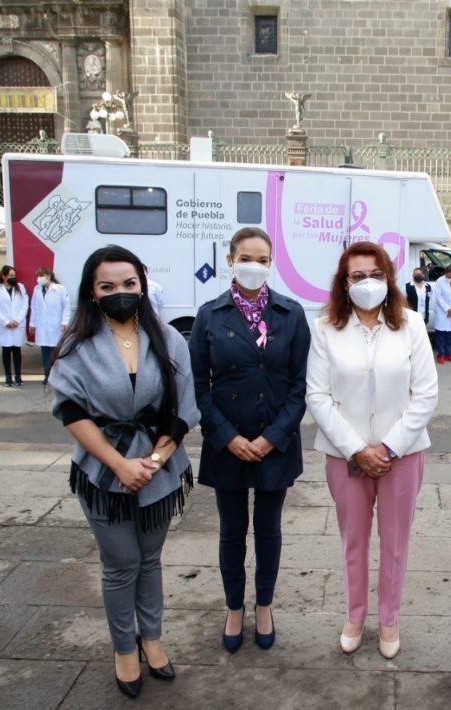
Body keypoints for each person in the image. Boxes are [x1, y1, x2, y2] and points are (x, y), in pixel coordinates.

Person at [49, 245, 199, 699]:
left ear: (143, 285)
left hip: (159, 467)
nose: (121, 293)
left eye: (129, 284)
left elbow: (183, 410)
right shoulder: (77, 346)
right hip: (102, 471)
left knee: (150, 560)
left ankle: (152, 638)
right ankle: (124, 649)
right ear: (92, 293)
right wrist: (119, 465)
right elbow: (72, 412)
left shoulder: (169, 340)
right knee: (121, 564)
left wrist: (152, 463)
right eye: (108, 286)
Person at [306, 241, 438, 660]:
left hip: (403, 454)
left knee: (395, 543)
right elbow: (317, 395)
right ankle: (355, 614)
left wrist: (390, 446)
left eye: (375, 274)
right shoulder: (326, 326)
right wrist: (355, 449)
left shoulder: (411, 325)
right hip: (345, 457)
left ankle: (389, 617)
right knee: (353, 541)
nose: (367, 282)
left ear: (389, 278)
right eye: (358, 276)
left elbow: (427, 394)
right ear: (344, 283)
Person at [189, 227, 310, 653]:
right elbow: (200, 387)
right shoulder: (210, 314)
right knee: (232, 531)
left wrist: (273, 437)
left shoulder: (291, 313)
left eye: (261, 259)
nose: (253, 266)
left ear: (270, 263)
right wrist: (226, 436)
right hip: (229, 445)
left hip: (275, 443)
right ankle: (234, 607)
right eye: (245, 257)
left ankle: (263, 605)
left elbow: (300, 386)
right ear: (229, 260)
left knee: (268, 529)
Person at [29, 266, 72, 385]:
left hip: (56, 325)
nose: (39, 279)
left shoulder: (60, 289)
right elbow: (34, 307)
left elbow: (66, 307)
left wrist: (65, 322)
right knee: (45, 351)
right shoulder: (37, 289)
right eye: (38, 276)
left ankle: (58, 376)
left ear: (49, 276)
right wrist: (32, 324)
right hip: (42, 326)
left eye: (41, 276)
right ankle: (47, 375)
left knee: (56, 352)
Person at [0, 265, 29, 387]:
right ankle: (8, 376)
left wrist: (17, 320)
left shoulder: (20, 288)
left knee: (17, 350)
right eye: (10, 275)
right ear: (4, 276)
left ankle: (18, 376)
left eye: (14, 275)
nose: (13, 277)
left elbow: (25, 305)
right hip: (5, 325)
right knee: (6, 350)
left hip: (18, 324)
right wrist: (6, 321)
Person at [432, 263, 451, 363]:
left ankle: (449, 354)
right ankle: (441, 355)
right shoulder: (440, 281)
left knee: (450, 334)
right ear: (445, 273)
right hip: (442, 311)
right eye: (447, 275)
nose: (449, 277)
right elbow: (438, 296)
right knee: (441, 334)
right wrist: (447, 309)